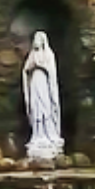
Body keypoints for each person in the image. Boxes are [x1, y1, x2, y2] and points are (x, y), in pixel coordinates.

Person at [23, 30, 64, 160]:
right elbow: (25, 70)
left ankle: (49, 134)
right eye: (34, 39)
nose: (36, 42)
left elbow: (51, 71)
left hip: (45, 85)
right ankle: (37, 135)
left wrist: (41, 66)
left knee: (46, 108)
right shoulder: (32, 55)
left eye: (38, 39)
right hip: (34, 84)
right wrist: (31, 68)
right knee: (36, 109)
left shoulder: (48, 54)